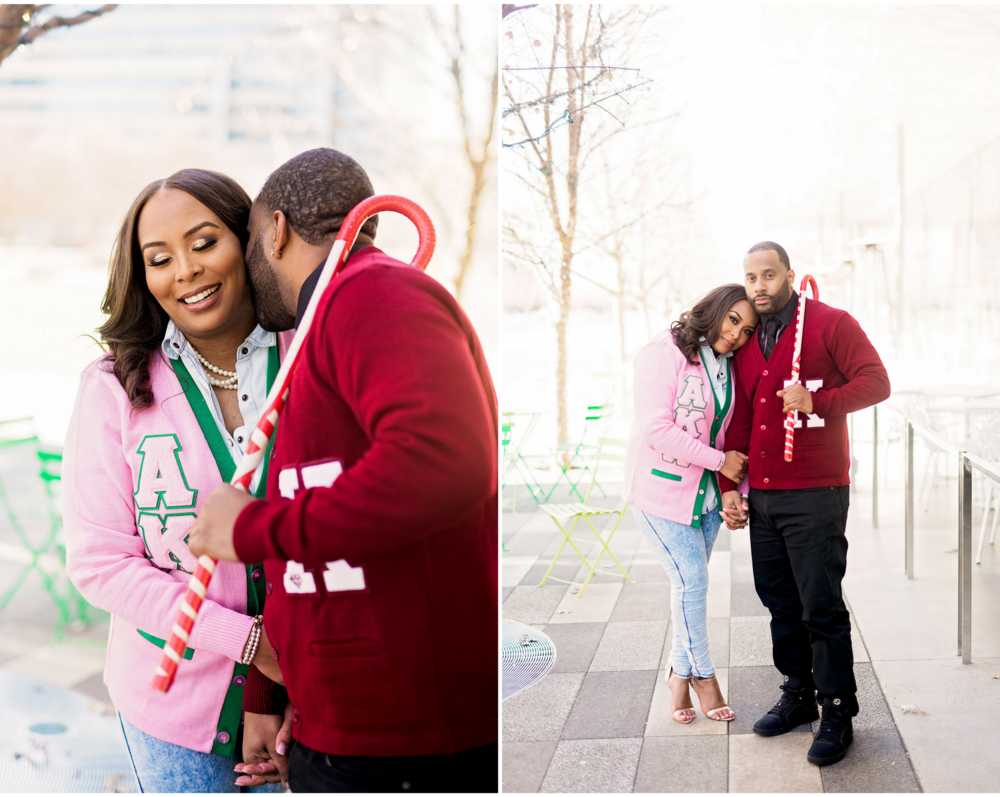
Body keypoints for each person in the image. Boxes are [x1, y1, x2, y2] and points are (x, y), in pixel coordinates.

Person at [186, 148, 498, 793]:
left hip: (407, 741)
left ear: (275, 231)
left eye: (245, 243)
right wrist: (280, 694)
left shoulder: (375, 293)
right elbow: (329, 520)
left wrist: (252, 529)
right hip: (349, 721)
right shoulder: (328, 319)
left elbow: (443, 464)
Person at [62, 169, 290, 792]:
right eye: (159, 258)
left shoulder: (312, 357)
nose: (185, 270)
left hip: (318, 692)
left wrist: (285, 681)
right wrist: (249, 643)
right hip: (175, 719)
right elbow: (100, 564)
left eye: (204, 242)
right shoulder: (114, 387)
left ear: (251, 240)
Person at [718, 241, 890, 766]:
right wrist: (730, 484)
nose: (759, 286)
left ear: (789, 275)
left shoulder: (831, 324)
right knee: (778, 600)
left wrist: (820, 400)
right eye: (751, 278)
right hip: (764, 493)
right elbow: (743, 415)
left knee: (820, 605)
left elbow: (877, 383)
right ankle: (799, 693)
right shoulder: (750, 341)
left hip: (816, 491)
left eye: (769, 275)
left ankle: (838, 709)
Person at [623, 284, 755, 724]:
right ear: (712, 309)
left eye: (746, 328)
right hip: (659, 494)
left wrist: (737, 490)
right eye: (732, 319)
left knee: (688, 589)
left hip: (706, 498)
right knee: (693, 584)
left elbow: (726, 432)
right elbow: (656, 428)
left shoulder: (725, 365)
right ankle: (703, 677)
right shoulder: (663, 353)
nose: (736, 334)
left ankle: (677, 678)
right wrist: (721, 462)